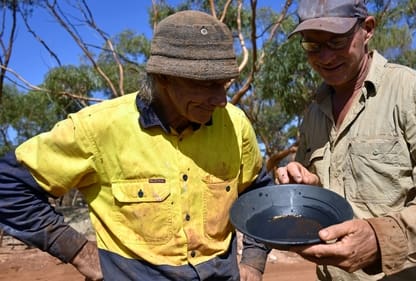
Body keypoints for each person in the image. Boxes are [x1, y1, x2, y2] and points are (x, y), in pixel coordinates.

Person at [0, 10, 272, 281]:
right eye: (206, 84)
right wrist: (81, 253)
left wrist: (253, 261)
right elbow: (8, 185)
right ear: (164, 77)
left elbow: (259, 191)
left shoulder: (234, 124)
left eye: (224, 84)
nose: (221, 99)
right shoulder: (98, 128)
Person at [275, 0, 416, 280]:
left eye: (336, 42)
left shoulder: (414, 93)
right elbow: (318, 192)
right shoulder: (314, 113)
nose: (324, 57)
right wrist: (305, 185)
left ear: (367, 29)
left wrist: (381, 239)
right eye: (313, 46)